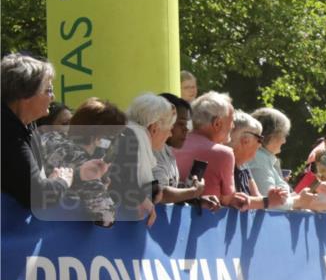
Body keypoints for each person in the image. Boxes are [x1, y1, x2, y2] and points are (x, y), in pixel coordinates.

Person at [1, 54, 105, 211]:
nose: (53, 97)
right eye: (48, 90)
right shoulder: (7, 132)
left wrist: (78, 174)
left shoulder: (27, 127)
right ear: (26, 94)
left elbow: (40, 180)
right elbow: (38, 196)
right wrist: (62, 181)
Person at [39, 98, 125, 226]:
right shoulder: (78, 158)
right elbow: (106, 217)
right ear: (100, 137)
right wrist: (97, 179)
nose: (114, 144)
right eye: (114, 137)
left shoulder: (50, 137)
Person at [107, 93, 176, 226]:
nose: (170, 134)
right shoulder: (133, 135)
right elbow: (126, 183)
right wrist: (144, 199)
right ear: (154, 128)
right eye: (169, 128)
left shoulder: (127, 131)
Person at [174, 91, 248, 210]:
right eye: (231, 120)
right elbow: (228, 199)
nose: (233, 126)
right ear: (217, 124)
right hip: (206, 223)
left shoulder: (172, 145)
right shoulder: (224, 153)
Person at [154, 93, 218, 208]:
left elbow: (171, 188)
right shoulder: (152, 151)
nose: (186, 129)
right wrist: (193, 192)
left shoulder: (166, 150)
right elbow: (160, 193)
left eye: (186, 123)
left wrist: (197, 199)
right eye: (180, 123)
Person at [228, 111, 287, 210]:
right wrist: (268, 201)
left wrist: (272, 197)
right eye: (259, 139)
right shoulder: (224, 163)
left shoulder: (244, 166)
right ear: (245, 140)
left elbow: (257, 197)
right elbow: (233, 201)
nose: (260, 145)